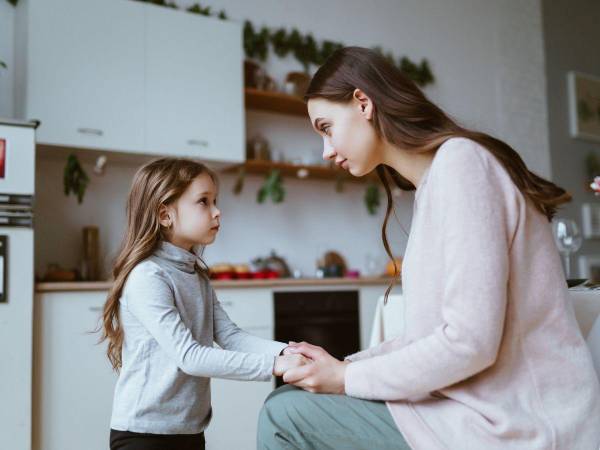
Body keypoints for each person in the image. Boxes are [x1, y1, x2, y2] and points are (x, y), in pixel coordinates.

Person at [257, 47, 600, 450]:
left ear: (362, 102)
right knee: (289, 400)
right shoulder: (437, 183)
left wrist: (345, 378)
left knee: (283, 415)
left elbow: (468, 343)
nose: (326, 149)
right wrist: (344, 367)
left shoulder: (461, 164)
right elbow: (426, 337)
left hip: (517, 425)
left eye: (326, 127)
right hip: (473, 410)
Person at [99, 158, 307, 450]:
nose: (217, 211)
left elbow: (230, 337)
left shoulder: (195, 274)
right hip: (144, 435)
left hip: (189, 430)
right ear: (165, 214)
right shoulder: (148, 276)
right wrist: (276, 365)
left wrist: (288, 351)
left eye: (215, 201)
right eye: (203, 202)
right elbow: (190, 357)